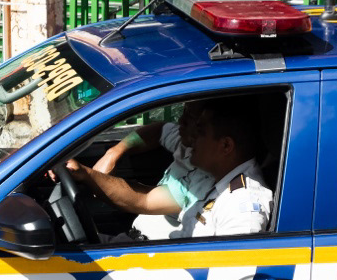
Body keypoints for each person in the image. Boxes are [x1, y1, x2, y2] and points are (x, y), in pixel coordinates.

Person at [66, 100, 272, 239]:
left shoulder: (241, 203)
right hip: (138, 246)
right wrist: (113, 153)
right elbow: (161, 130)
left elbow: (232, 273)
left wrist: (86, 175)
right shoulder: (217, 172)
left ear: (226, 145)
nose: (181, 123)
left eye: (199, 130)